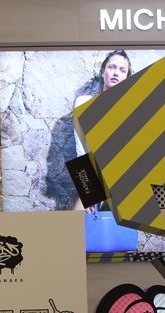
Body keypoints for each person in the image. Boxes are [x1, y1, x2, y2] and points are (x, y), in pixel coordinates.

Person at [72, 51, 131, 212]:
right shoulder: (84, 102)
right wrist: (89, 188)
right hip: (90, 169)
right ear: (103, 72)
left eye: (122, 70)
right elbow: (81, 146)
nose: (116, 73)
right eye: (112, 67)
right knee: (84, 209)